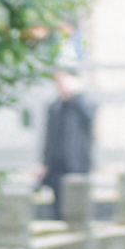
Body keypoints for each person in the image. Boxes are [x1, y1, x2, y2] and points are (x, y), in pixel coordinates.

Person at [38, 65, 94, 216]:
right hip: (56, 165)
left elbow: (89, 119)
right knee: (57, 209)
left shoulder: (84, 103)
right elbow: (49, 138)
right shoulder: (55, 107)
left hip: (77, 164)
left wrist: (75, 95)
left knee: (77, 208)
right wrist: (43, 163)